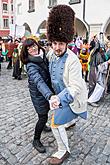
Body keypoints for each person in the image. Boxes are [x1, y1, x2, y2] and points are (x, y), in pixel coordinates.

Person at [46, 5, 88, 165]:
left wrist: (58, 99)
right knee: (60, 119)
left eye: (61, 44)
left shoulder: (73, 60)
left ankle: (63, 151)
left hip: (72, 98)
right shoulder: (51, 53)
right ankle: (70, 122)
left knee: (55, 124)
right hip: (59, 96)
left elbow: (76, 87)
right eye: (54, 43)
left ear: (67, 43)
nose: (57, 47)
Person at [20, 38, 54, 153]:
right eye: (29, 48)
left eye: (33, 45)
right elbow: (39, 81)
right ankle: (36, 139)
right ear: (26, 51)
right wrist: (49, 95)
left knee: (45, 112)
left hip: (46, 92)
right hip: (39, 95)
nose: (32, 48)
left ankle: (43, 125)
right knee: (42, 116)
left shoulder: (43, 56)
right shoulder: (31, 65)